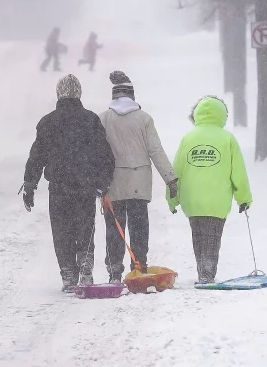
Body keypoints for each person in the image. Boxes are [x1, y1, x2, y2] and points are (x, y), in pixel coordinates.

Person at [22, 74, 115, 291]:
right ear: (79, 94)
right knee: (85, 227)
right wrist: (103, 182)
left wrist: (30, 184)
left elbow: (37, 156)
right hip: (85, 186)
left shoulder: (48, 122)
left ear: (59, 94)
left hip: (59, 187)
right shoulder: (90, 120)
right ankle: (85, 266)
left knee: (62, 231)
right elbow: (105, 155)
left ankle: (68, 274)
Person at [99, 71, 178, 283]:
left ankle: (115, 270)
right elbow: (156, 150)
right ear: (132, 95)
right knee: (139, 225)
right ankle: (139, 265)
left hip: (113, 183)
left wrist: (97, 181)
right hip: (139, 183)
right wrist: (170, 178)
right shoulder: (144, 119)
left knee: (115, 228)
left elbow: (97, 152)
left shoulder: (104, 119)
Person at [167, 95, 252, 285]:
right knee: (212, 238)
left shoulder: (188, 138)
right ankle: (208, 273)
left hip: (192, 200)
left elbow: (176, 171)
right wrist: (243, 198)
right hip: (217, 200)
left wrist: (172, 199)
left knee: (197, 237)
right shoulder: (227, 139)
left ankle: (202, 273)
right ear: (222, 115)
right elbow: (238, 173)